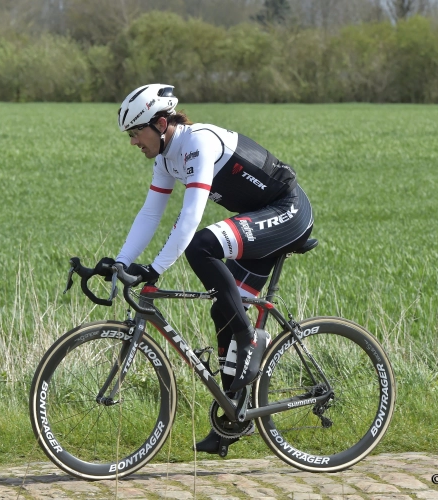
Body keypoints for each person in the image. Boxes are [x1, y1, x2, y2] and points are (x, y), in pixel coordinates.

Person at [97, 83, 314, 455]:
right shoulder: (166, 158)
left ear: (161, 123)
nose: (133, 142)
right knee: (223, 309)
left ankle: (249, 338)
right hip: (261, 219)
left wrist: (155, 268)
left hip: (287, 211)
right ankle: (233, 422)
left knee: (202, 245)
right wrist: (121, 262)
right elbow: (151, 213)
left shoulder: (197, 143)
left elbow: (190, 217)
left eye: (136, 133)